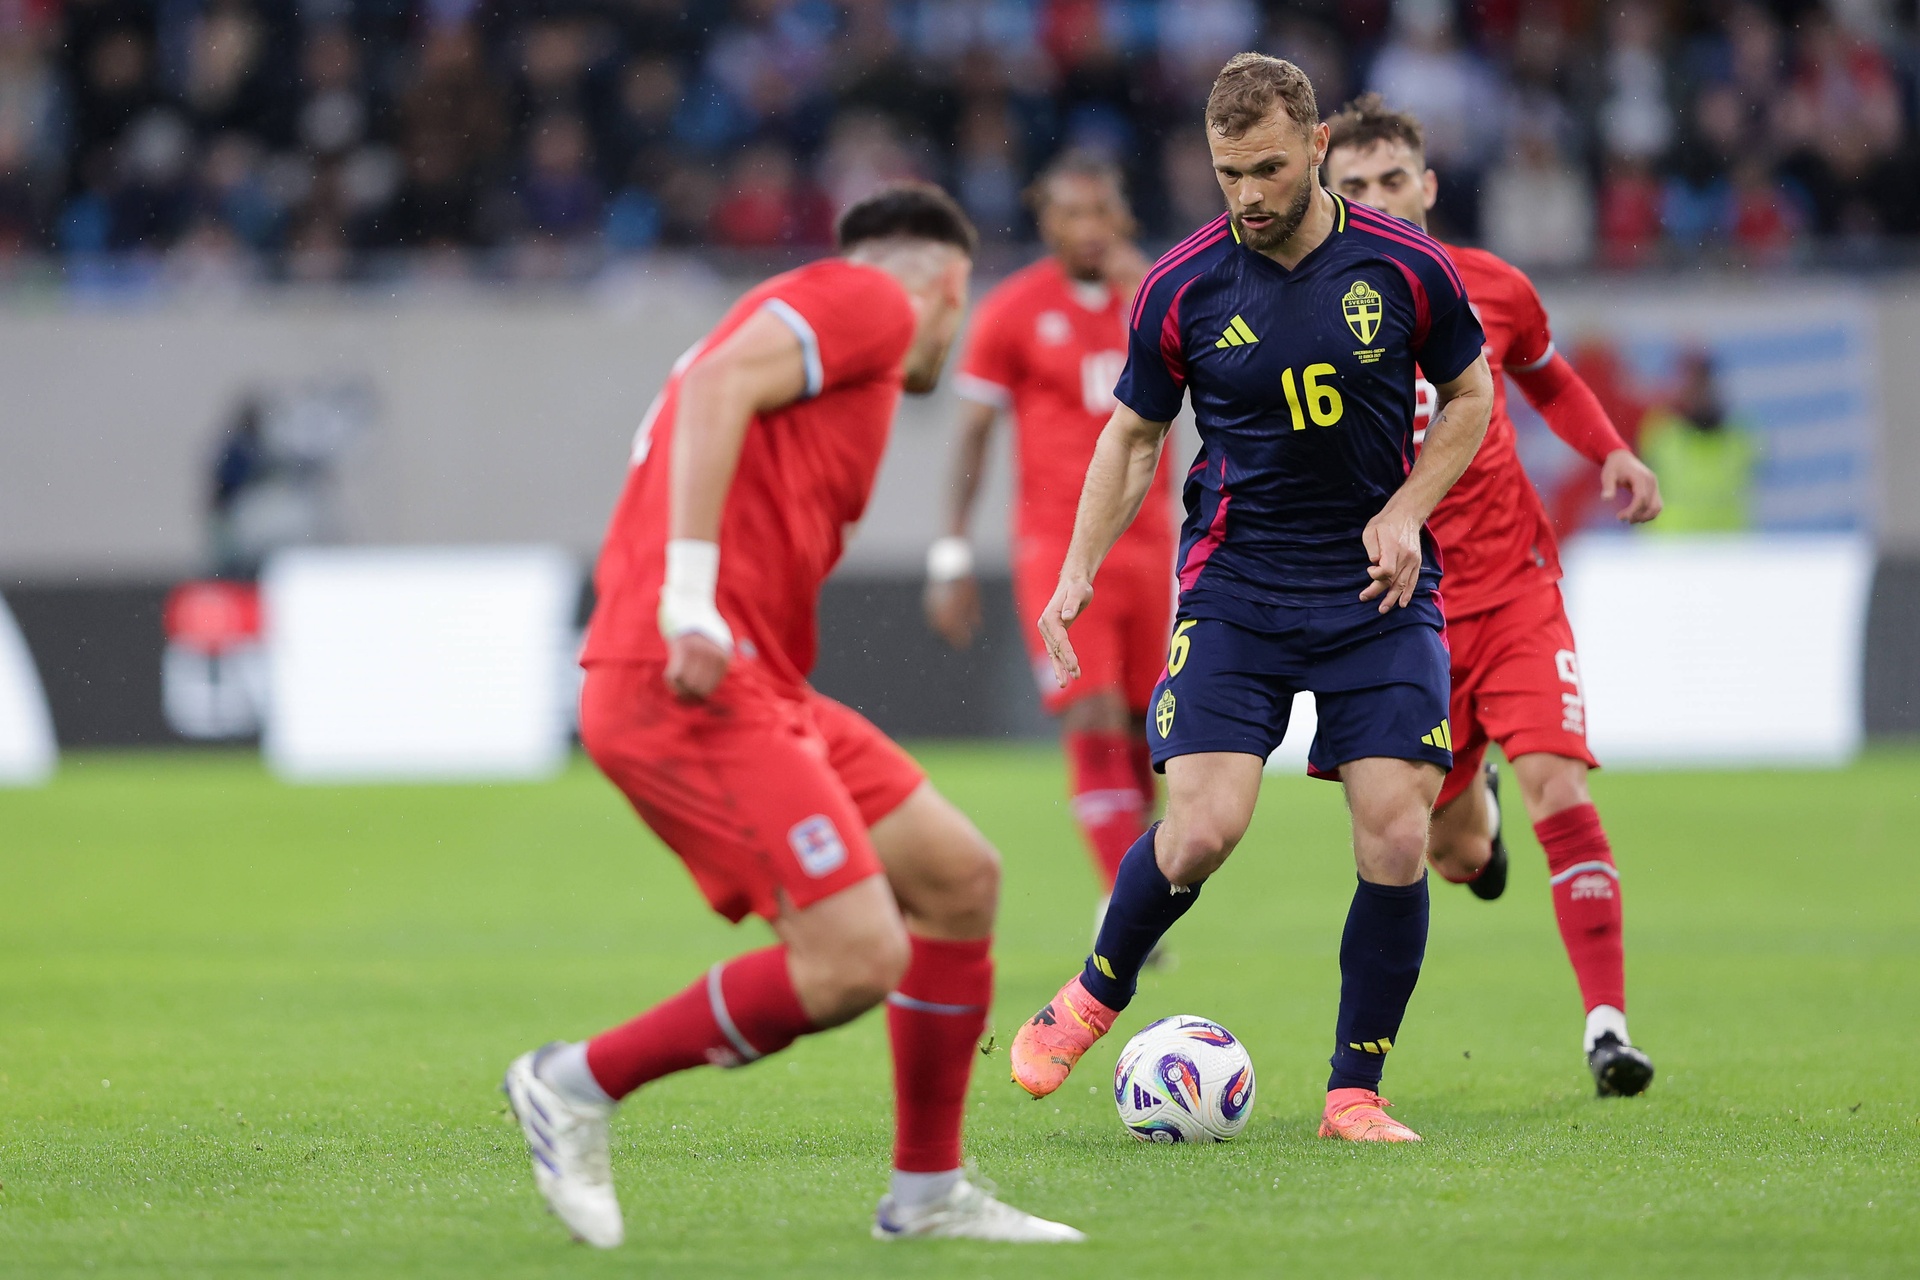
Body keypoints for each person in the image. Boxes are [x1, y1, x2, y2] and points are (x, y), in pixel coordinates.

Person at [503, 184, 1084, 1247]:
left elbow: (721, 391)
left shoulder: (822, 327)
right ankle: (574, 1082)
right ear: (949, 288)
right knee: (856, 956)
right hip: (681, 678)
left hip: (759, 684)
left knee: (959, 878)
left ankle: (927, 1192)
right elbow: (718, 385)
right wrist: (688, 598)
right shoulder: (871, 300)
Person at [1009, 54, 1494, 1144]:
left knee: (1396, 833)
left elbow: (1471, 391)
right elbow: (1133, 434)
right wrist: (1078, 569)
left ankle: (1352, 1092)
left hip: (1379, 587)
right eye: (1229, 171)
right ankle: (1093, 990)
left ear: (1317, 149)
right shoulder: (1182, 285)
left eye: (1270, 167)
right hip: (1237, 588)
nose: (1249, 195)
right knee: (1201, 830)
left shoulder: (1407, 267)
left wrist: (1411, 505)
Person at [1322, 93, 1663, 1096]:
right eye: (1355, 186)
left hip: (1515, 585)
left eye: (1393, 181)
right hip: (1399, 611)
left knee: (1562, 779)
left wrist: (1612, 452)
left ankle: (1607, 1027)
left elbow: (1548, 376)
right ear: (1328, 197)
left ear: (1426, 186)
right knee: (1452, 849)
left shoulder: (1491, 288)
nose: (1378, 198)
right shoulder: (1314, 303)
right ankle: (1481, 823)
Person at [926, 150, 1173, 928]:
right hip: (1056, 547)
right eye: (1072, 214)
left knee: (1145, 727)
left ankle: (1135, 883)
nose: (1090, 229)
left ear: (1122, 219)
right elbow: (971, 437)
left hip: (1153, 541)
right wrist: (952, 553)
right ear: (1046, 222)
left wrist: (1152, 293)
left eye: (1102, 212)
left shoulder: (1156, 298)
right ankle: (1119, 899)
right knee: (1089, 708)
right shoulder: (1013, 310)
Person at [1638, 347, 1758, 535]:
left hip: (1728, 552)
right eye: (1689, 383)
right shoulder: (1659, 433)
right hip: (1669, 553)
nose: (1696, 392)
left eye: (1702, 382)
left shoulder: (1742, 436)